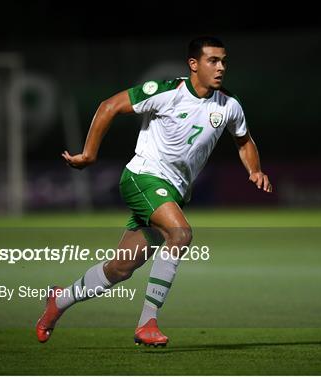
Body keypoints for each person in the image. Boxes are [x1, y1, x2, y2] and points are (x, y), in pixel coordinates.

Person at [36, 36, 272, 347]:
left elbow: (244, 140)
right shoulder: (166, 92)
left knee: (120, 268)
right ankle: (147, 322)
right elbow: (109, 106)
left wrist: (254, 170)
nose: (220, 68)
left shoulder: (229, 105)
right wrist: (89, 154)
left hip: (172, 193)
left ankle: (59, 301)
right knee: (181, 234)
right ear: (193, 65)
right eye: (213, 61)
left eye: (223, 61)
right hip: (143, 177)